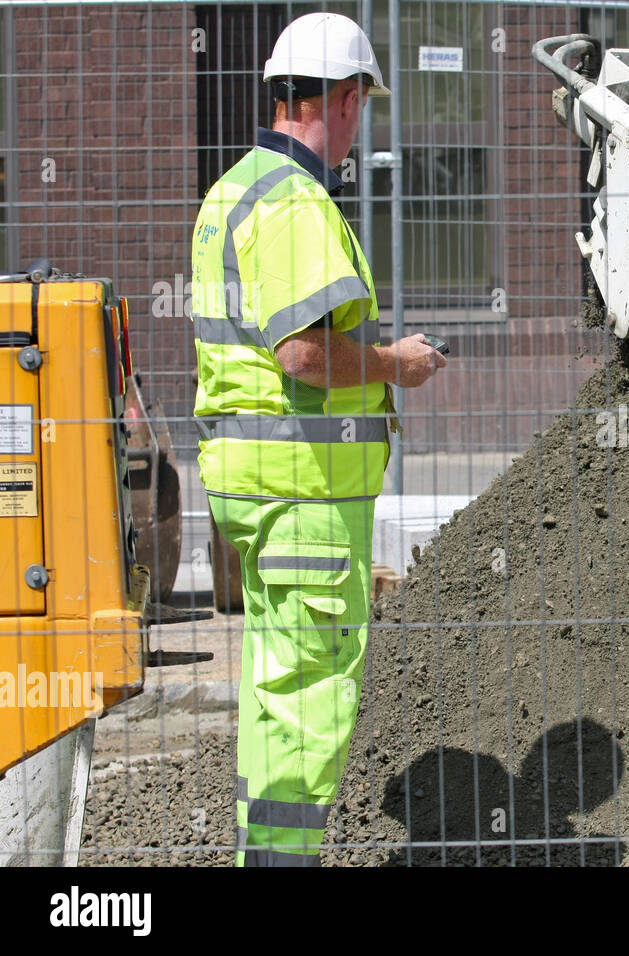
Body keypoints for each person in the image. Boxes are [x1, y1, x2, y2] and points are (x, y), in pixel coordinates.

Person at [190, 11, 447, 866]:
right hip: (301, 493)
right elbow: (300, 351)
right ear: (340, 99)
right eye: (361, 104)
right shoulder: (297, 203)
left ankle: (262, 855)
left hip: (256, 489)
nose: (359, 125)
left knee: (275, 693)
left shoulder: (233, 191)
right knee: (314, 700)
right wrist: (393, 364)